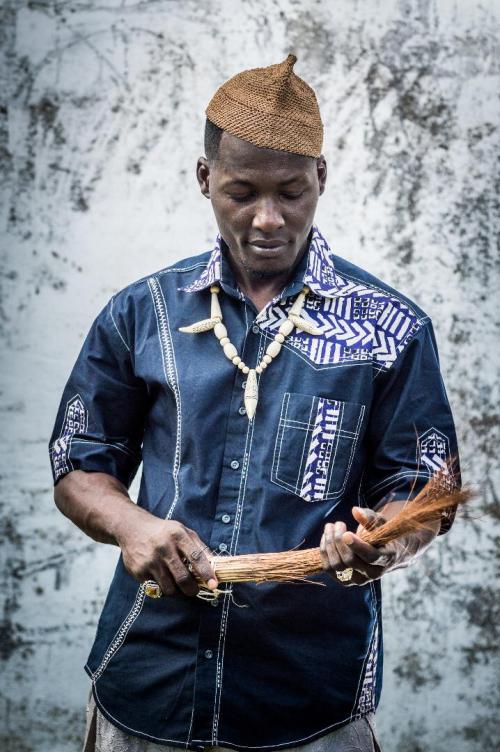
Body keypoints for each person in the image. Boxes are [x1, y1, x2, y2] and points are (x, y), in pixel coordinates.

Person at [48, 55, 459, 752]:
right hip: (147, 682)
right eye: (241, 192)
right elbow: (79, 467)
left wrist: (383, 542)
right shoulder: (142, 313)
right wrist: (130, 525)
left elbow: (426, 490)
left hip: (310, 700)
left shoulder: (392, 328)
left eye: (291, 192)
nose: (268, 219)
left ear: (321, 177)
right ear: (204, 178)